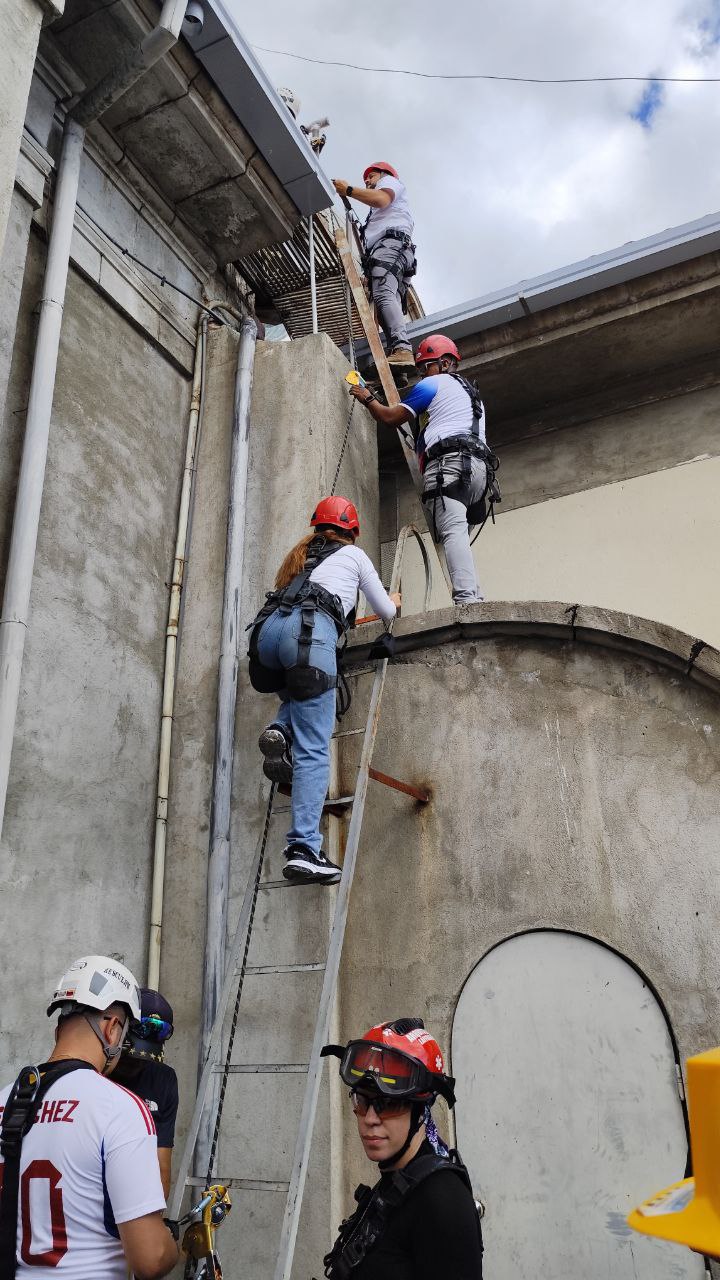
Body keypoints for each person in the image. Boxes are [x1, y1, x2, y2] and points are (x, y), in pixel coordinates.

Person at [248, 496, 399, 885]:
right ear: (353, 530)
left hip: (269, 638)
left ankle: (281, 728)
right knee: (315, 748)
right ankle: (304, 848)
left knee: (298, 700)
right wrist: (394, 601)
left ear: (318, 526)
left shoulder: (298, 557)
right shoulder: (356, 556)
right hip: (309, 638)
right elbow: (386, 611)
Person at [0, 955, 179, 1280]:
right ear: (112, 1029)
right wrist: (175, 1246)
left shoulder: (6, 1100)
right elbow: (150, 1261)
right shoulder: (120, 1107)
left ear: (59, 1028)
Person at [321, 1018, 483, 1279]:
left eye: (389, 1104)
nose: (370, 1119)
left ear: (421, 1111)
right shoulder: (397, 1183)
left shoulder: (442, 1201)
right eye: (362, 1100)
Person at [349, 334, 498, 606]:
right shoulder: (469, 393)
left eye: (425, 366)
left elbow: (390, 417)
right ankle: (474, 594)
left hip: (450, 466)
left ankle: (467, 600)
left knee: (452, 531)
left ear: (443, 362)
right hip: (478, 471)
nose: (422, 374)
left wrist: (368, 397)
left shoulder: (432, 384)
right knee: (459, 535)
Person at [333, 163, 416, 368]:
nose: (368, 182)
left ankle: (402, 348)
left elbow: (381, 199)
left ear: (384, 174)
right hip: (395, 251)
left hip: (391, 246)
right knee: (385, 301)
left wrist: (349, 190)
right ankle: (398, 361)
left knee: (383, 295)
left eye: (371, 176)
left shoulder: (389, 183)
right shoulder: (378, 216)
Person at [111, 987, 179, 1197]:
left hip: (137, 1200)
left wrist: (156, 1219)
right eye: (131, 1057)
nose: (137, 1064)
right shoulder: (94, 1076)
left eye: (145, 1059)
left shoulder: (163, 1078)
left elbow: (161, 1164)